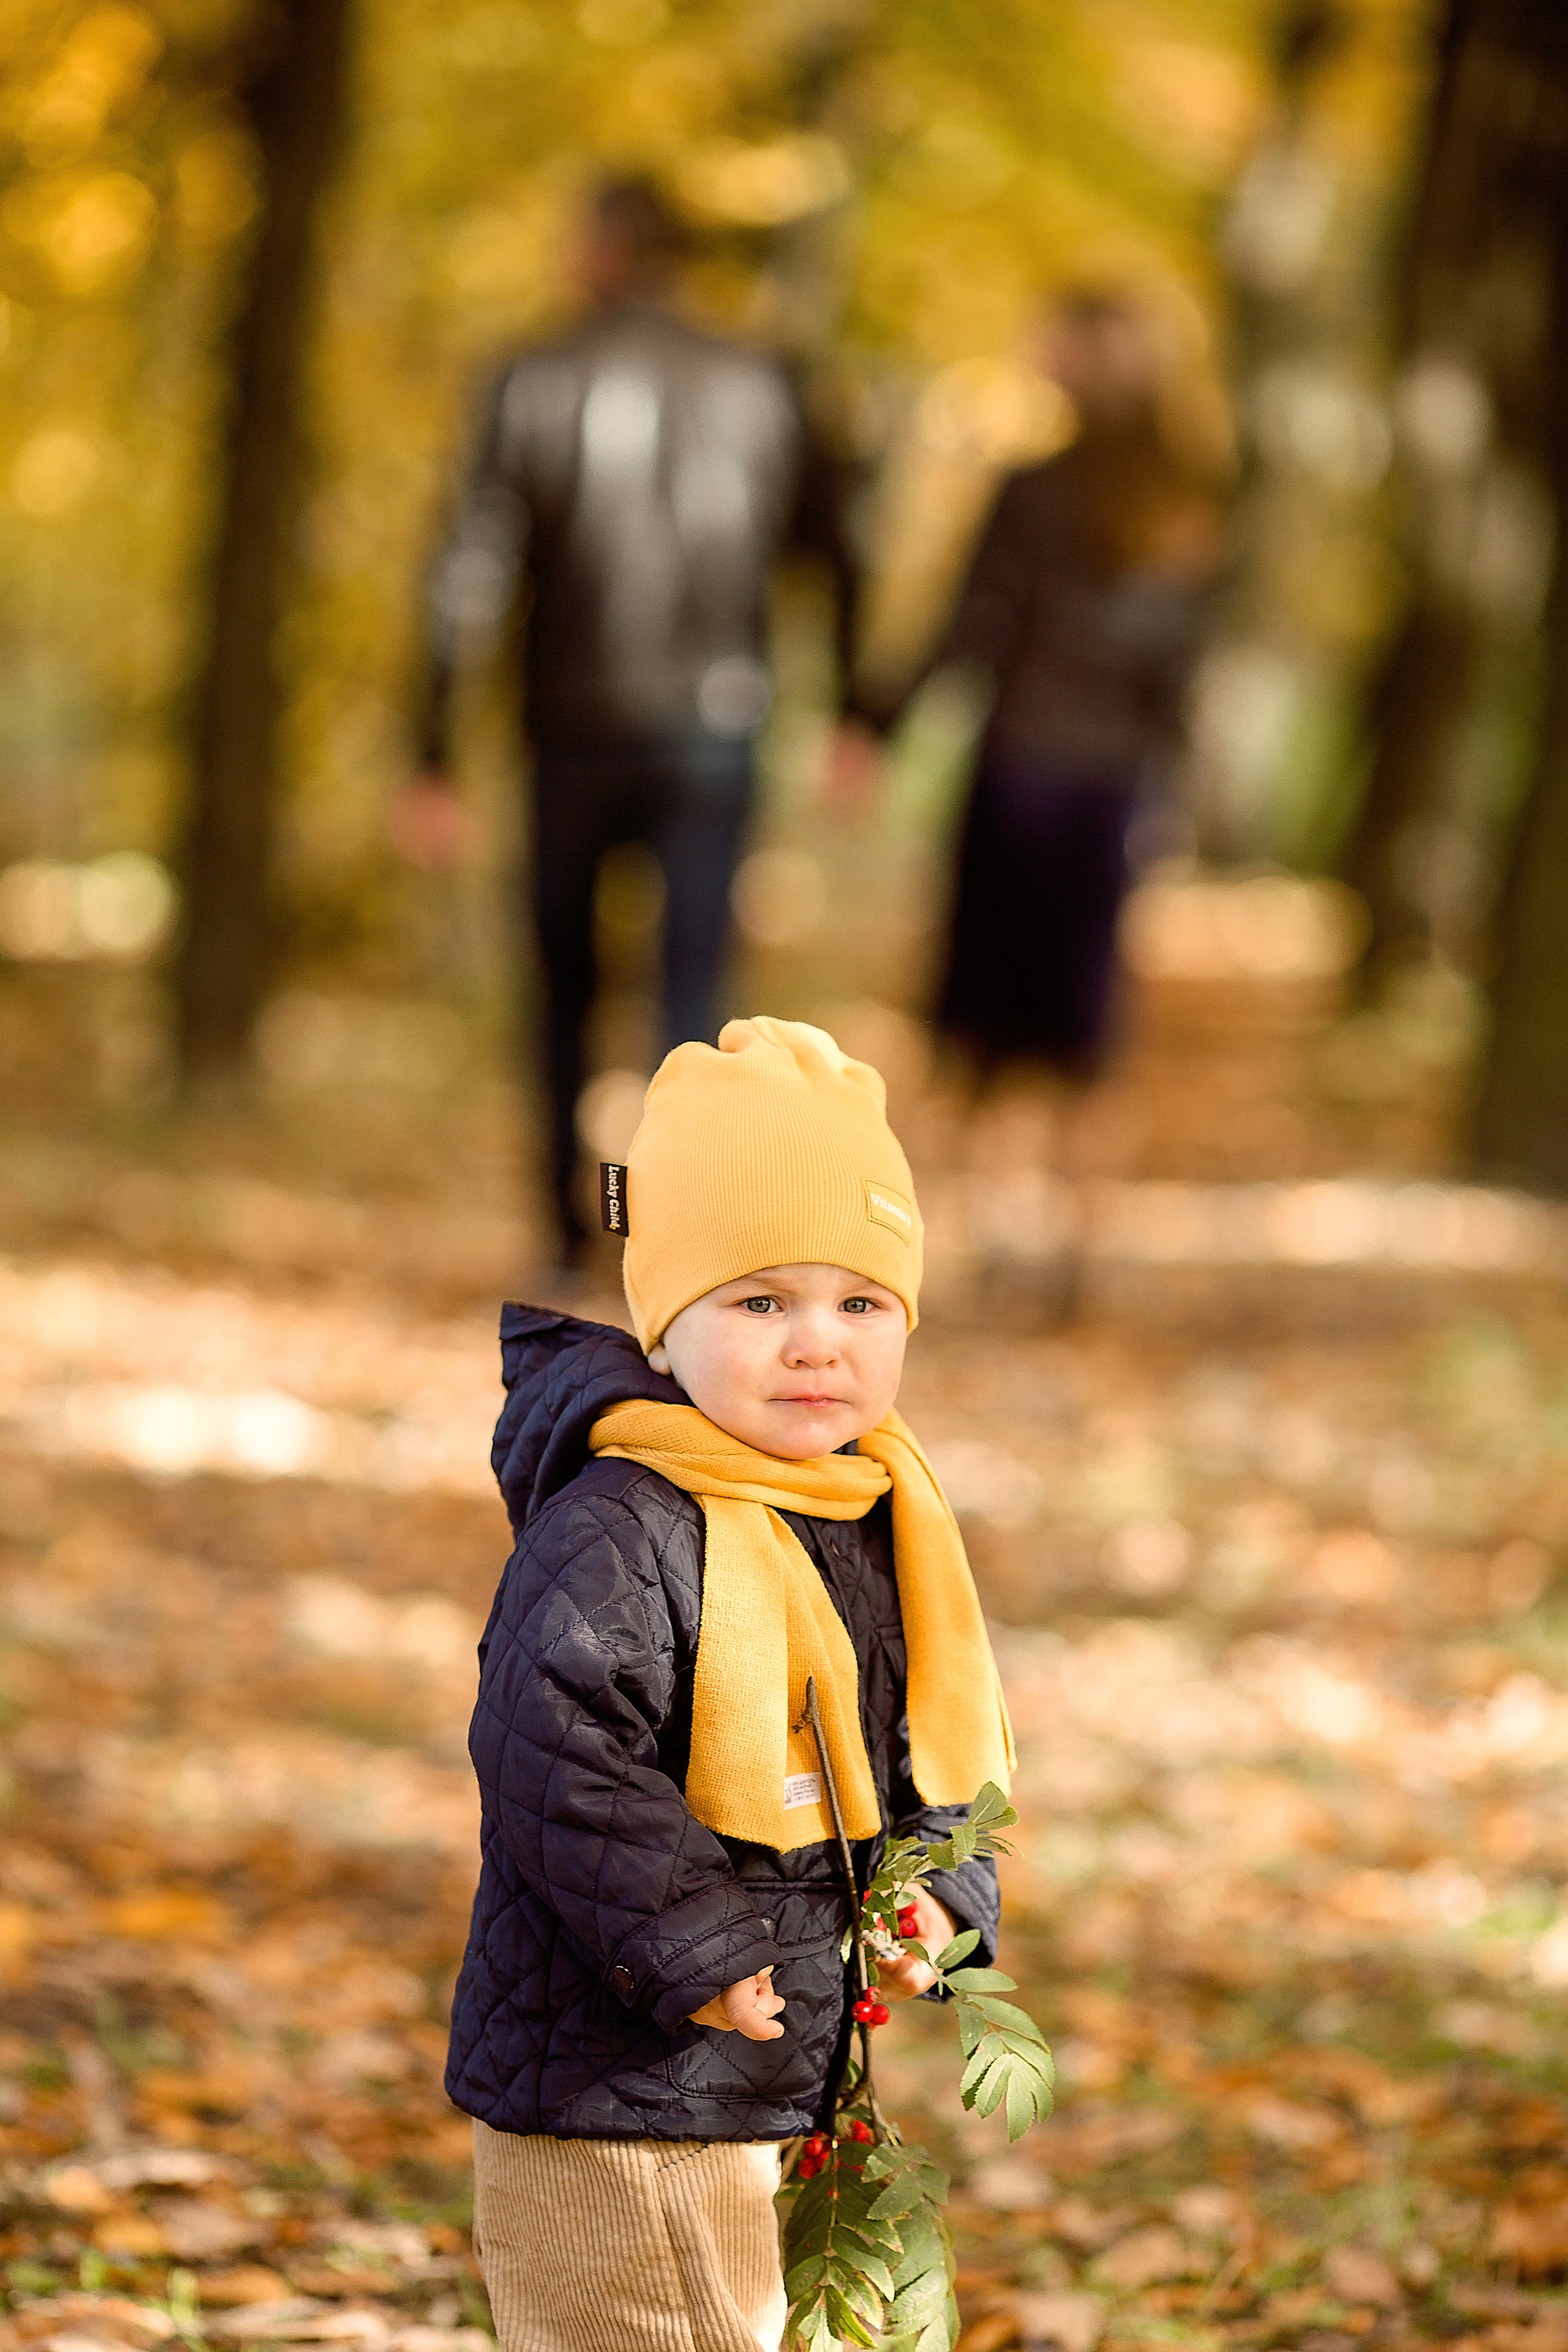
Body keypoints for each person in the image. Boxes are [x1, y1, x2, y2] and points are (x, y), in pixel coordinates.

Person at [447, 1016, 1014, 2352]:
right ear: (667, 1322)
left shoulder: (871, 1512)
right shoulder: (622, 1526)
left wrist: (940, 1887)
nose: (816, 1343)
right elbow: (554, 1751)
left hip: (754, 2083)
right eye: (761, 1301)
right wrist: (694, 1944)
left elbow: (928, 1745)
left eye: (859, 1303)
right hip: (619, 2089)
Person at [400, 179, 861, 1268]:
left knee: (566, 986)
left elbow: (467, 571)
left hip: (570, 729)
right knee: (689, 997)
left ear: (601, 251)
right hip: (716, 726)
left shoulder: (533, 378)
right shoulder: (767, 382)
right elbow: (837, 552)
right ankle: (659, 1234)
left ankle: (574, 1226)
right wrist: (853, 709)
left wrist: (431, 746)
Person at [844, 285, 1226, 1294]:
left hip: (1018, 775)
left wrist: (876, 720)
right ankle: (1082, 1243)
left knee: (985, 1025)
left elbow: (974, 623)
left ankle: (987, 1235)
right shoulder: (1190, 501)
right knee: (1085, 1027)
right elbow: (1186, 668)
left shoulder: (1035, 488)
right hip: (1112, 792)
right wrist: (1179, 790)